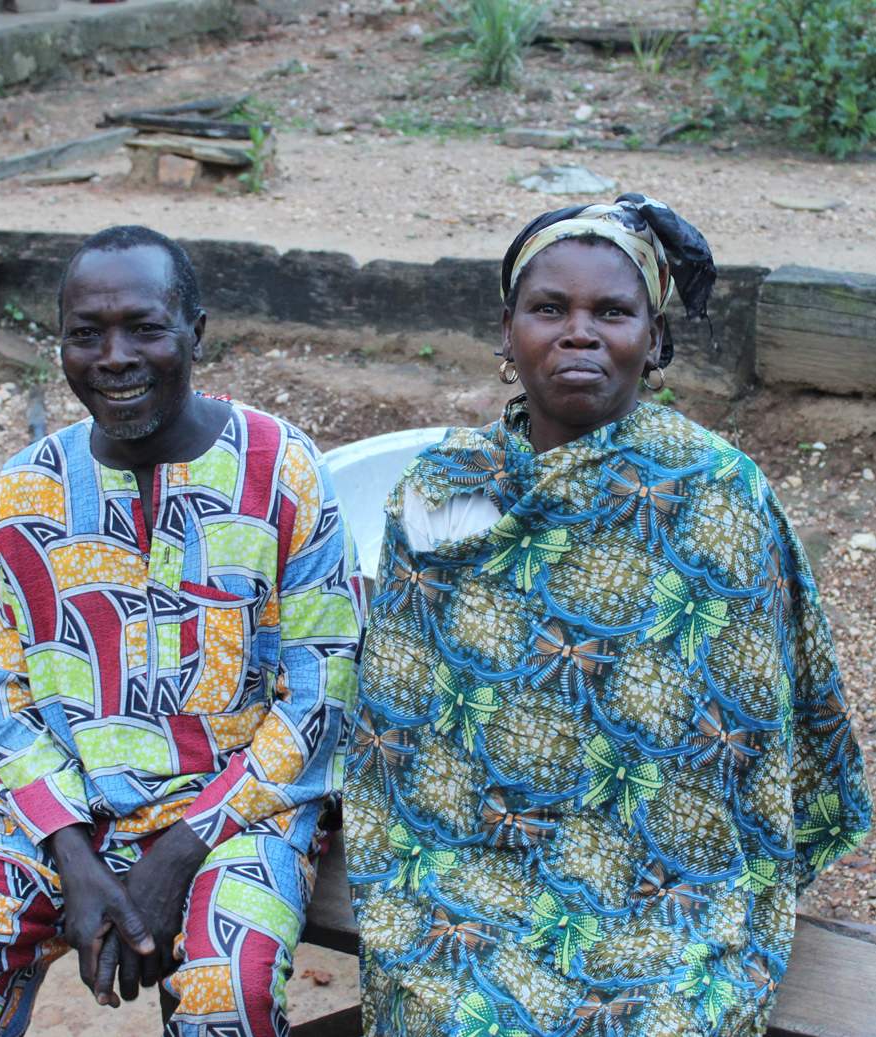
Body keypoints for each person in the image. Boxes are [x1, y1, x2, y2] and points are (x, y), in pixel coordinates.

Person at [343, 195, 872, 1037]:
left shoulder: (714, 494)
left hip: (667, 888)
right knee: (450, 1002)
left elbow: (761, 729)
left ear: (654, 338)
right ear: (506, 329)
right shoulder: (445, 490)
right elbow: (404, 719)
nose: (578, 332)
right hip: (465, 871)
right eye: (548, 308)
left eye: (612, 312)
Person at [0, 225, 363, 1037]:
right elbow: (3, 694)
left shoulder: (282, 469)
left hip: (238, 805)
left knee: (226, 992)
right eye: (84, 334)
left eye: (144, 327)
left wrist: (179, 850)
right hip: (58, 808)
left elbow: (319, 696)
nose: (113, 356)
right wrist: (73, 852)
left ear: (195, 332)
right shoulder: (31, 488)